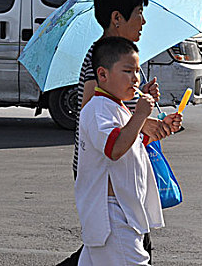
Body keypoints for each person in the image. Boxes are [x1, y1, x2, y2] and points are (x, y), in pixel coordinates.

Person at [57, 0, 182, 266]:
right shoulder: (100, 57)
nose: (143, 21)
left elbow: (117, 113)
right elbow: (94, 110)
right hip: (106, 181)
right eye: (138, 13)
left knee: (100, 250)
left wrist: (145, 112)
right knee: (124, 244)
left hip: (117, 179)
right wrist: (140, 116)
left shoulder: (120, 57)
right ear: (117, 18)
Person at [75, 36, 176, 265]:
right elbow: (115, 149)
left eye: (138, 71)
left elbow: (133, 144)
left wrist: (160, 126)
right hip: (112, 216)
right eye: (128, 71)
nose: (135, 79)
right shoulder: (98, 108)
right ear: (103, 75)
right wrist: (140, 114)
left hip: (121, 213)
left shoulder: (116, 107)